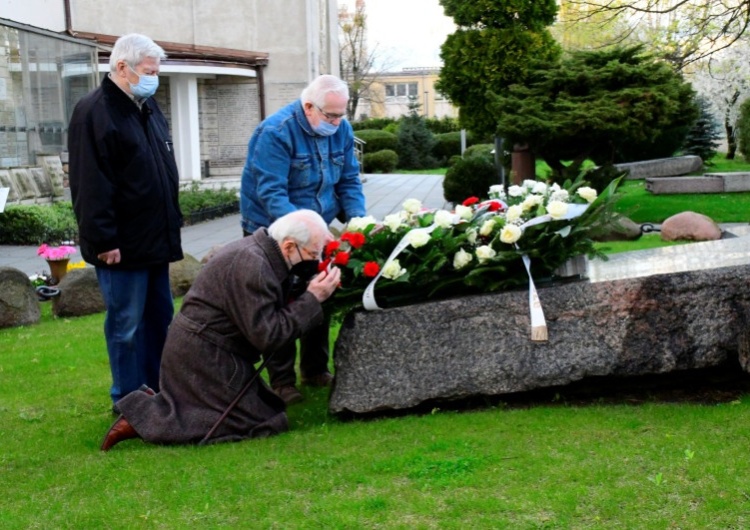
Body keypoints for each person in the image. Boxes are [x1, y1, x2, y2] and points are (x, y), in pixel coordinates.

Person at [100, 210, 341, 450]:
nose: (316, 259)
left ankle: (161, 405)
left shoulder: (261, 253)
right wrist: (312, 297)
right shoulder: (253, 266)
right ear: (289, 246)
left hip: (211, 352)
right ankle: (143, 415)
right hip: (204, 358)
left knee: (269, 411)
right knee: (260, 422)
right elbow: (269, 336)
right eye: (313, 253)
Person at [68, 33, 183, 412]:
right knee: (126, 326)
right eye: (149, 71)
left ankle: (158, 392)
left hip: (153, 240)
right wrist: (103, 239)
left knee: (158, 320)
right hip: (120, 246)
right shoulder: (95, 112)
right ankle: (129, 401)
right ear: (122, 67)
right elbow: (91, 182)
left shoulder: (147, 108)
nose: (154, 78)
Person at [240, 74, 366, 404]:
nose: (337, 123)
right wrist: (308, 229)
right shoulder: (275, 133)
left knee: (319, 295)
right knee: (279, 303)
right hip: (273, 231)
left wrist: (359, 223)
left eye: (342, 115)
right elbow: (271, 192)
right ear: (308, 107)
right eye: (330, 115)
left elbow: (349, 181)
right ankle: (282, 381)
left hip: (315, 229)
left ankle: (314, 369)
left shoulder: (342, 130)